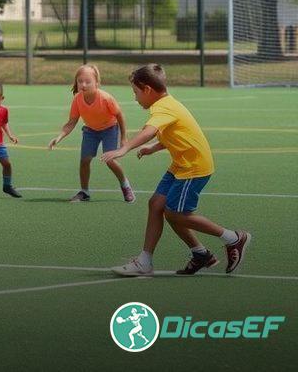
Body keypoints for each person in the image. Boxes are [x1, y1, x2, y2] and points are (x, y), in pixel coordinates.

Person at [102, 64, 250, 277]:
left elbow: (150, 130)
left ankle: (233, 238)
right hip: (181, 164)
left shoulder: (163, 107)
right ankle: (196, 254)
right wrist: (154, 148)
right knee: (156, 204)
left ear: (147, 90)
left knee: (175, 214)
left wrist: (124, 148)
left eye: (135, 92)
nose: (135, 98)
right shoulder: (167, 104)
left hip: (194, 167)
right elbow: (176, 134)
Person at [48, 64, 135, 203]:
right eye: (80, 81)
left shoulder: (105, 98)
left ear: (96, 82)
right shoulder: (77, 99)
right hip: (90, 131)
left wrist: (123, 137)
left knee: (110, 160)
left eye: (88, 81)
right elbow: (72, 122)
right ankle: (85, 192)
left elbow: (119, 115)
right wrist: (59, 137)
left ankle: (125, 185)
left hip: (110, 129)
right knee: (84, 161)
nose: (83, 84)